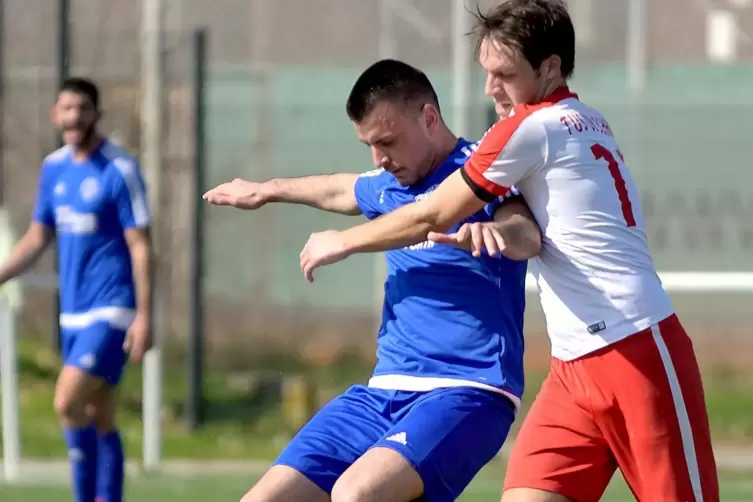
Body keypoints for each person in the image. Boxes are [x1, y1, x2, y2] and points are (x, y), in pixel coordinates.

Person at [296, 2, 720, 502]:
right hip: (573, 367)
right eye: (486, 72)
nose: (490, 88)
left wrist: (341, 240)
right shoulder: (585, 118)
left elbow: (434, 213)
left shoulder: (527, 128)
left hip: (636, 350)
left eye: (505, 74)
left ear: (551, 68)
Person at [203, 59, 542, 502]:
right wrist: (266, 190)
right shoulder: (387, 184)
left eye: (387, 141)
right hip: (382, 392)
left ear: (428, 117)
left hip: (468, 391)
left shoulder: (481, 172)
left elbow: (527, 236)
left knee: (356, 494)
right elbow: (339, 188)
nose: (380, 158)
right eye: (368, 144)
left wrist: (499, 234)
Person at [0, 77, 152, 502]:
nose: (74, 117)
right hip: (73, 312)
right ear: (55, 115)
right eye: (66, 108)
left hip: (113, 309)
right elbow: (35, 239)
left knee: (66, 401)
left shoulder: (119, 169)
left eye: (82, 108)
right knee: (100, 414)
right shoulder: (53, 169)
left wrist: (143, 315)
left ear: (96, 114)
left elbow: (141, 246)